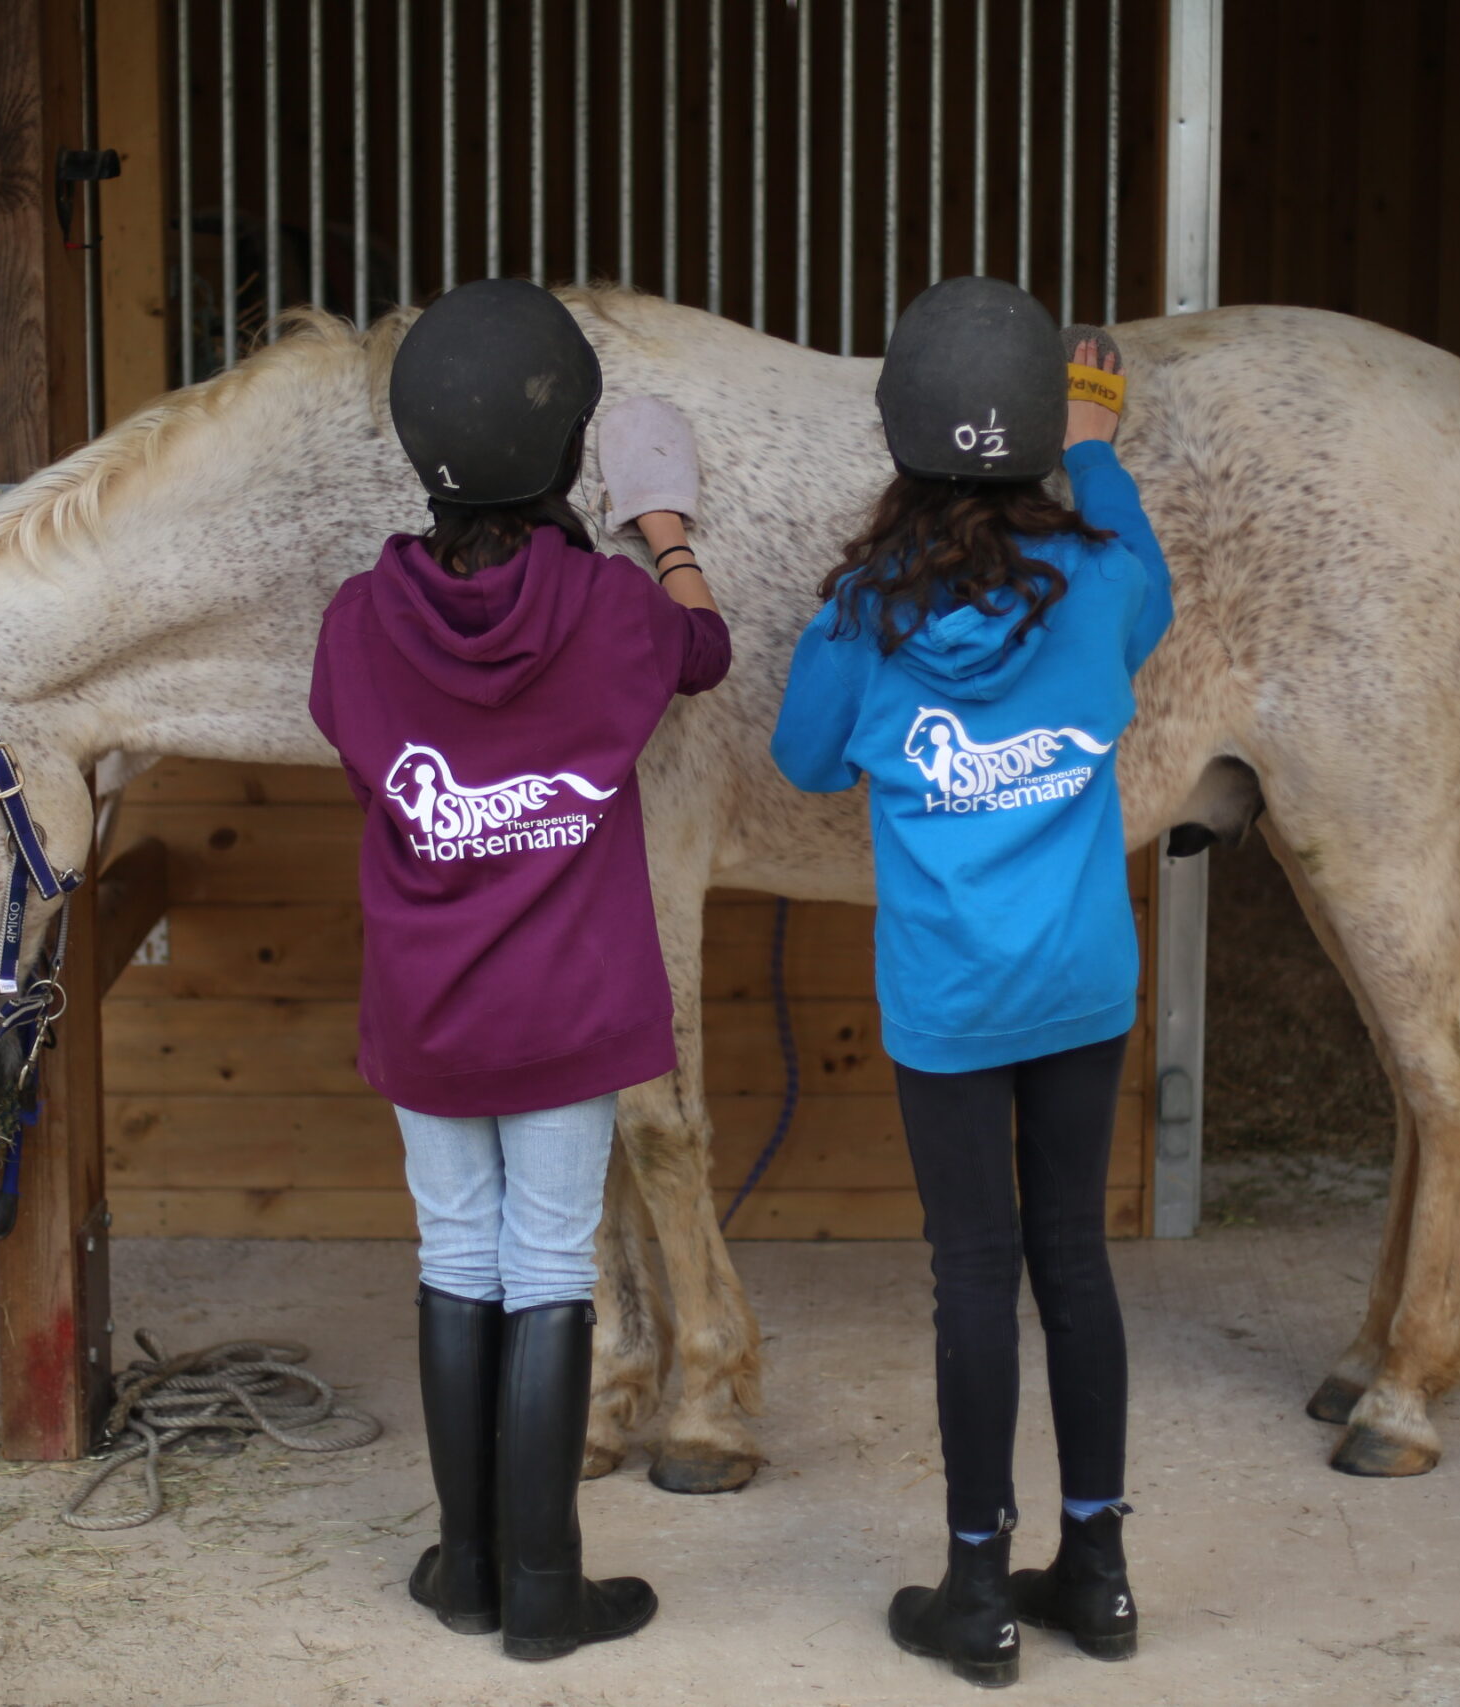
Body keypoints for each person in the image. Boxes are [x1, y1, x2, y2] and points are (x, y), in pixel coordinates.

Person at [308, 278, 727, 1662]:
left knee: (456, 1255)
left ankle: (471, 1568)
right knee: (548, 1266)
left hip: (430, 1009)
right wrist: (662, 532)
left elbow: (349, 722)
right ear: (568, 454)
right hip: (572, 1008)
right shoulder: (613, 611)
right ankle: (549, 1588)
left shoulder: (362, 622)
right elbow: (704, 650)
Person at [770, 276, 1172, 1688]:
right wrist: (1103, 444)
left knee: (973, 1275)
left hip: (949, 1009)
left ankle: (981, 1591)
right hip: (1083, 991)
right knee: (1075, 1260)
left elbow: (806, 761)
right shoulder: (1104, 589)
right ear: (1041, 444)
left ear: (903, 441)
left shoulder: (868, 622)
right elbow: (1150, 583)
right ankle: (1103, 1575)